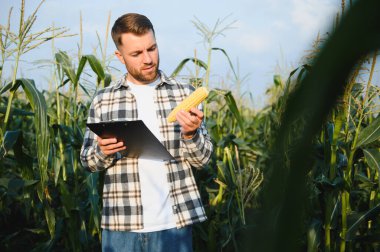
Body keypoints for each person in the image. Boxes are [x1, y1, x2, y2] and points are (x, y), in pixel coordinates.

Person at [80, 13, 213, 252]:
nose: (148, 59)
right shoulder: (104, 100)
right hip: (122, 226)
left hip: (175, 224)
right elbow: (87, 161)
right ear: (119, 57)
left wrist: (191, 135)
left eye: (152, 48)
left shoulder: (184, 93)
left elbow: (202, 160)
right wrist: (102, 151)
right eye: (136, 54)